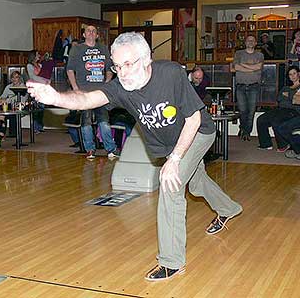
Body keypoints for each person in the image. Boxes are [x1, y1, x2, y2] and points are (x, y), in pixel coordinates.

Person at [27, 32, 243, 281]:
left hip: (196, 133)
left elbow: (193, 118)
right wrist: (57, 97)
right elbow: (88, 98)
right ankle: (229, 208)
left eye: (128, 64)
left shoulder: (170, 74)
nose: (122, 72)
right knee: (194, 182)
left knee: (171, 184)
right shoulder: (121, 86)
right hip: (166, 142)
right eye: (117, 66)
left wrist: (174, 160)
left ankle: (171, 261)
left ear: (146, 59)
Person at [66, 25, 118, 159]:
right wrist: (75, 88)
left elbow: (109, 68)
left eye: (93, 31)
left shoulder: (103, 48)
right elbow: (70, 69)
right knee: (86, 121)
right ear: (84, 34)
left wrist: (107, 82)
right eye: (88, 31)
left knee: (104, 121)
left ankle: (110, 149)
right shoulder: (77, 49)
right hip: (84, 91)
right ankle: (90, 149)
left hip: (100, 91)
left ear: (97, 35)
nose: (91, 33)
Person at [257, 66, 300, 152]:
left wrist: (288, 96)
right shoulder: (286, 87)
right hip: (280, 109)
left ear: (299, 74)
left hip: (293, 111)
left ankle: (283, 145)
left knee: (276, 120)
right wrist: (291, 97)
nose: (292, 76)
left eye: (294, 73)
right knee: (261, 119)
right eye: (290, 74)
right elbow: (279, 98)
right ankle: (266, 144)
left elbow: (296, 102)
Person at [232, 35, 264, 141]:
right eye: (248, 40)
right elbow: (236, 67)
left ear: (255, 43)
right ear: (245, 42)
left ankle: (246, 132)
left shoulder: (260, 55)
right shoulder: (238, 53)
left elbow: (258, 67)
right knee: (242, 111)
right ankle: (243, 128)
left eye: (252, 40)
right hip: (240, 86)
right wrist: (252, 68)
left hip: (254, 86)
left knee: (251, 111)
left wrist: (243, 65)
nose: (250, 42)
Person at [0, 70, 27, 137]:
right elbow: (2, 96)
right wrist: (0, 100)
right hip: (9, 105)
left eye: (16, 77)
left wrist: (6, 100)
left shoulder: (23, 86)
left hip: (20, 105)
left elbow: (18, 98)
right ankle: (2, 127)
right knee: (1, 107)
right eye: (13, 77)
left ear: (19, 78)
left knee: (4, 108)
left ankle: (2, 128)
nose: (14, 79)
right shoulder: (8, 87)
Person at [26, 50, 50, 133]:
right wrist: (44, 81)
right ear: (33, 56)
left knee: (41, 108)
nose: (39, 55)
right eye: (37, 54)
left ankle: (40, 126)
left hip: (41, 88)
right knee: (35, 108)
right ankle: (35, 127)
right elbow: (32, 76)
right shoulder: (29, 65)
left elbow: (44, 74)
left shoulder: (40, 65)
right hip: (34, 88)